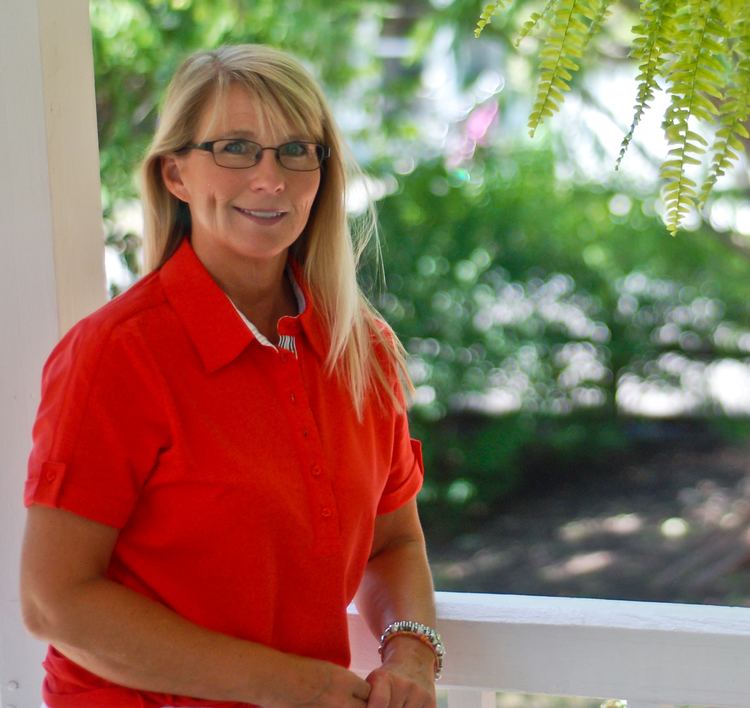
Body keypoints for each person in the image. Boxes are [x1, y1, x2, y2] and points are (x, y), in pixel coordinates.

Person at [20, 44, 442, 708]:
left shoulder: (363, 351)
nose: (270, 178)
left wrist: (412, 655)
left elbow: (392, 543)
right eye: (237, 148)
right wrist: (289, 684)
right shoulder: (114, 356)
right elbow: (56, 602)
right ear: (176, 175)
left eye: (296, 150)